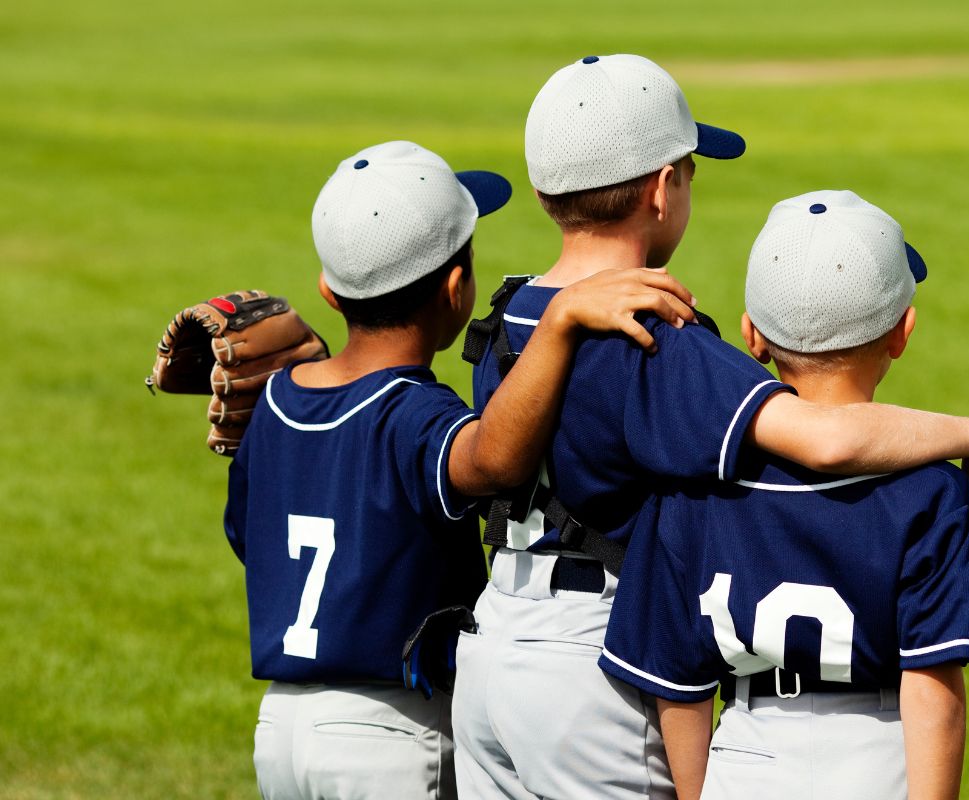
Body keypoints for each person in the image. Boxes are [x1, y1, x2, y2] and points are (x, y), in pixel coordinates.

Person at [452, 55, 969, 800]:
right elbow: (827, 438)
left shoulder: (512, 315)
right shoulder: (660, 340)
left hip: (491, 644)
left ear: (538, 190)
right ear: (663, 189)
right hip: (594, 660)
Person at [222, 140, 699, 800]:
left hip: (280, 729)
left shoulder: (276, 403)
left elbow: (253, 541)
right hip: (391, 733)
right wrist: (559, 320)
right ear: (457, 288)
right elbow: (494, 460)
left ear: (328, 293)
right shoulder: (417, 413)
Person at [600, 190, 969, 800]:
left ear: (752, 335)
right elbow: (935, 696)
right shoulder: (934, 490)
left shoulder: (695, 483)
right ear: (901, 333)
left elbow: (678, 684)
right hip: (878, 755)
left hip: (748, 752)